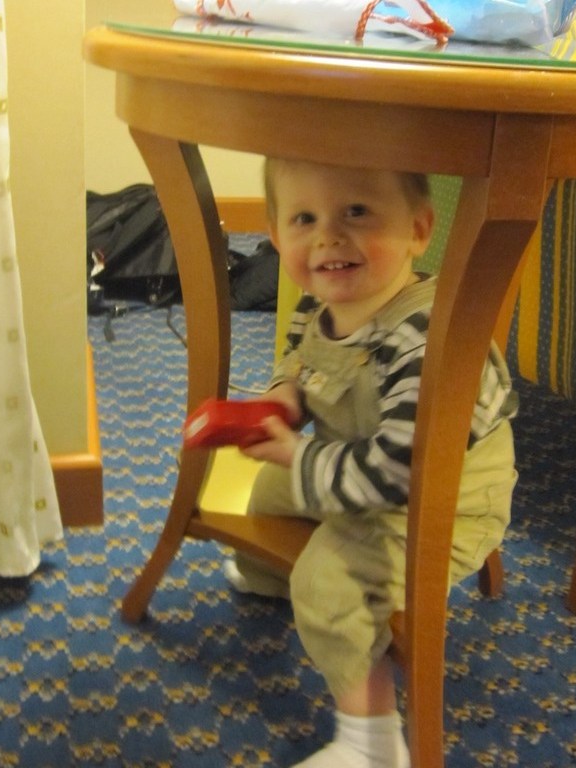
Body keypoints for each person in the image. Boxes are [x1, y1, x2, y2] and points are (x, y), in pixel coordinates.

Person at [224, 158, 518, 768]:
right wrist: (283, 397)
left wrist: (301, 455)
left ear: (418, 229)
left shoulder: (428, 339)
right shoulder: (320, 302)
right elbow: (299, 359)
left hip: (438, 503)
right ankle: (270, 578)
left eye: (356, 212)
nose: (328, 237)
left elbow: (398, 474)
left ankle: (373, 742)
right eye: (304, 218)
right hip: (355, 467)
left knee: (327, 583)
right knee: (269, 489)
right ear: (275, 236)